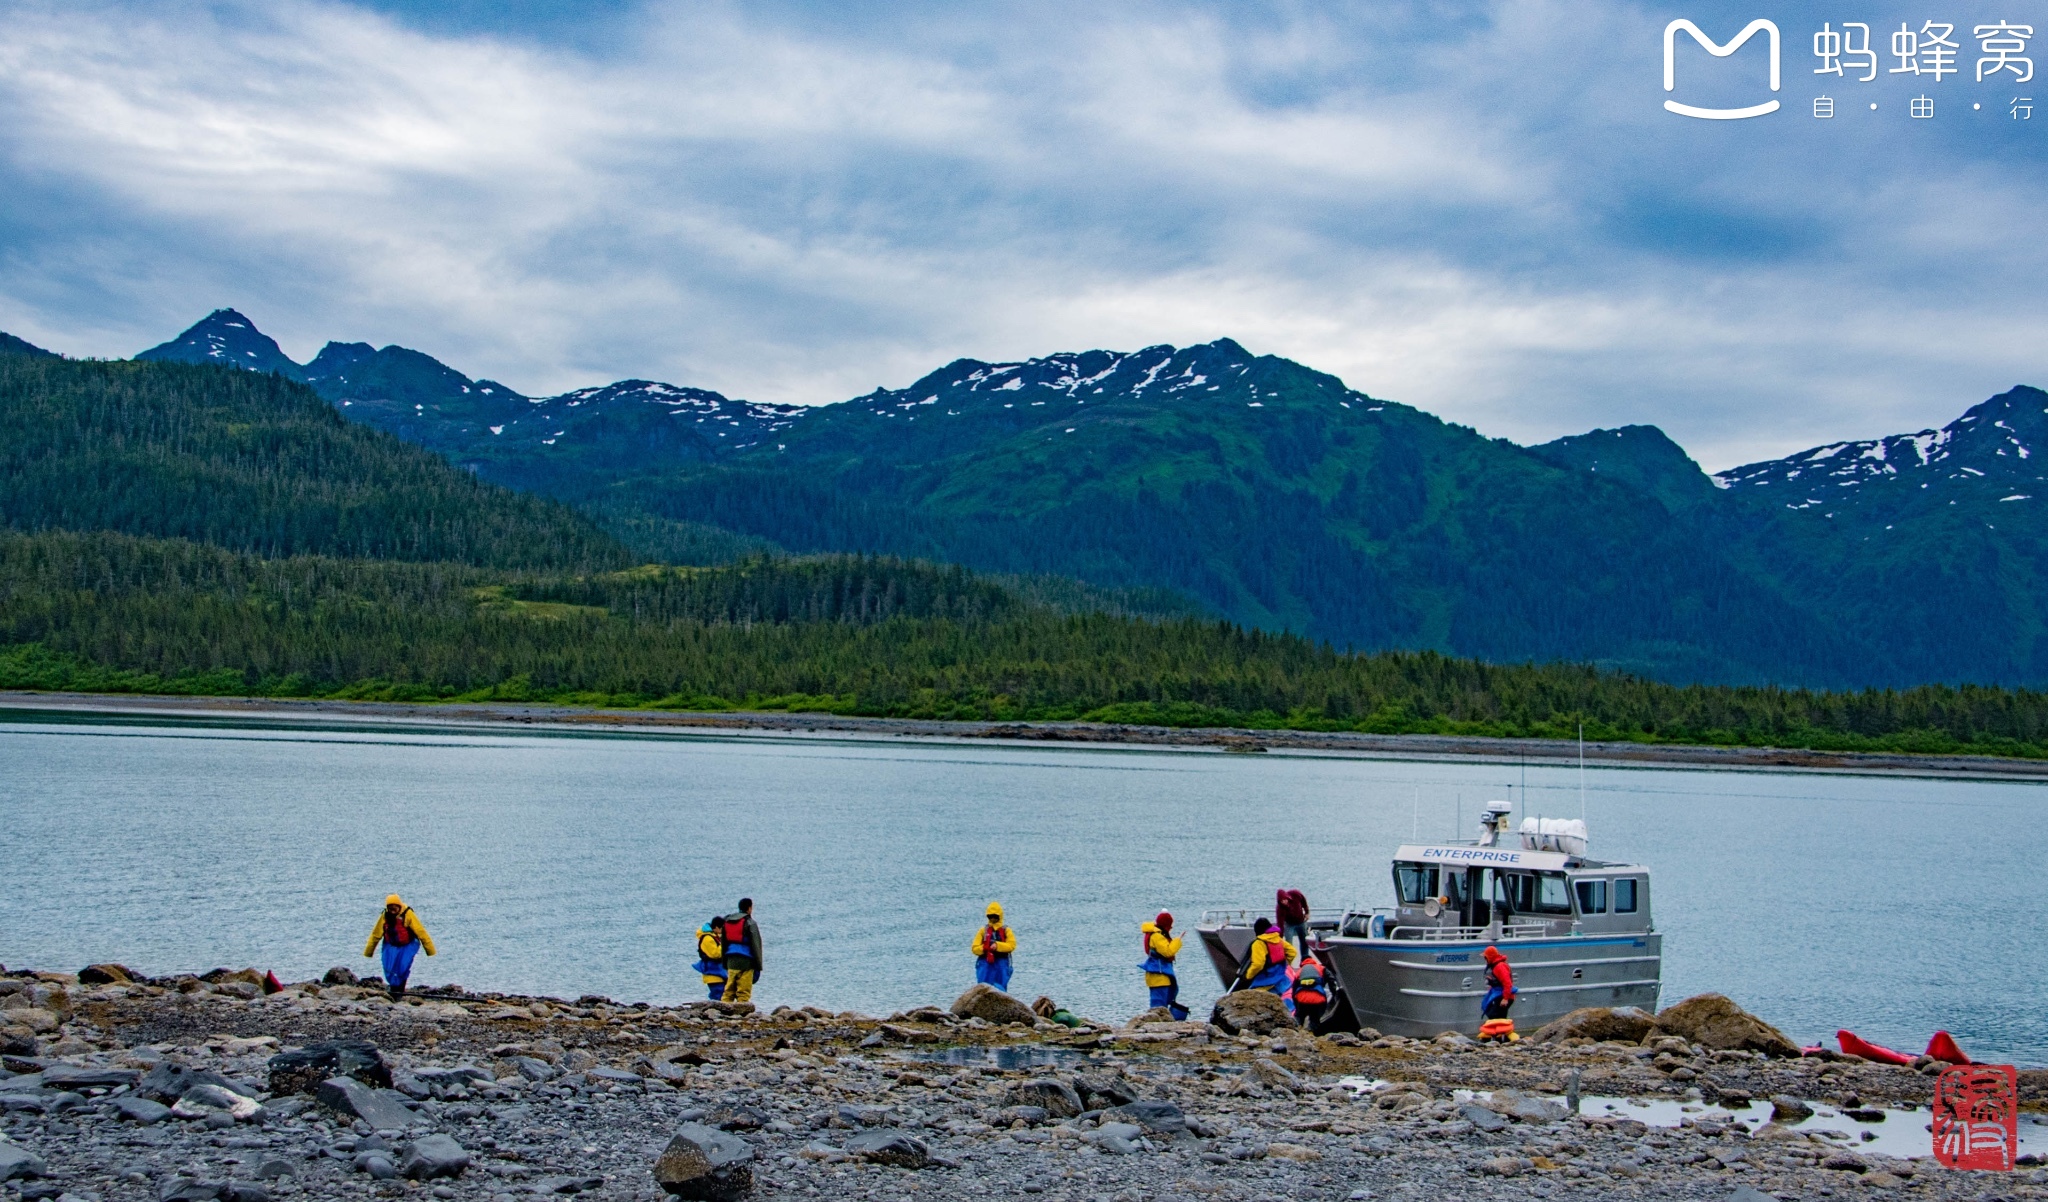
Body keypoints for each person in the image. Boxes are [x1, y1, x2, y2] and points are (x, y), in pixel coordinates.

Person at [362, 894, 435, 1001]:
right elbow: (376, 934)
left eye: (394, 908)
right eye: (390, 908)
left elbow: (420, 932)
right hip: (391, 945)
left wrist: (430, 950)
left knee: (402, 967)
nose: (392, 911)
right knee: (390, 968)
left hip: (407, 945)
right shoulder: (385, 916)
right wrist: (369, 951)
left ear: (399, 906)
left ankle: (400, 991)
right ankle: (394, 990)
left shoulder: (408, 914)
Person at [1139, 911, 1188, 1020]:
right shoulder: (1157, 936)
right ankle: (1158, 1024)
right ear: (1166, 925)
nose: (1170, 928)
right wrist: (1178, 941)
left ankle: (1163, 1022)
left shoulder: (1154, 934)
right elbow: (1168, 952)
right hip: (1159, 975)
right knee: (1158, 1006)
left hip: (1159, 975)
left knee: (1163, 1002)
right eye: (1170, 925)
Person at [719, 899, 763, 1004]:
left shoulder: (727, 921)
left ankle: (724, 1010)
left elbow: (723, 944)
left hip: (731, 960)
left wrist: (724, 962)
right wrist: (758, 966)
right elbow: (756, 945)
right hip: (746, 962)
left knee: (728, 990)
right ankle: (742, 1011)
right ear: (749, 908)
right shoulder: (750, 923)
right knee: (743, 991)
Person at [1238, 917, 1294, 994]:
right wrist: (1285, 965)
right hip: (1281, 978)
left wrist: (1248, 975)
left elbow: (1258, 964)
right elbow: (1292, 952)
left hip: (1265, 981)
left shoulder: (1258, 943)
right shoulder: (1278, 939)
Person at [973, 903, 1017, 991]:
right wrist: (984, 948)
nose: (992, 919)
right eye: (990, 916)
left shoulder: (1006, 930)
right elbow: (974, 948)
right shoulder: (983, 930)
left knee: (1000, 988)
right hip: (985, 962)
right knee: (983, 987)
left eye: (995, 916)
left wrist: (997, 945)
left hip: (1001, 963)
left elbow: (1011, 945)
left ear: (999, 916)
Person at [1478, 945, 1518, 1041]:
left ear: (1490, 957)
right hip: (1498, 994)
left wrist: (1505, 998)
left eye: (1486, 957)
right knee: (1493, 1014)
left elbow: (1507, 983)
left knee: (1496, 1016)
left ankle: (1501, 1038)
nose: (1485, 959)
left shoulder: (1500, 966)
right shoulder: (1495, 966)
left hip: (1504, 996)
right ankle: (1496, 1038)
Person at [1289, 956, 1330, 1027]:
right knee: (1314, 1020)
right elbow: (1331, 979)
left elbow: (1294, 990)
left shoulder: (1299, 971)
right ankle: (1312, 1032)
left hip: (1302, 1000)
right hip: (1317, 999)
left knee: (1299, 1017)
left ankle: (1297, 1031)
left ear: (1302, 963)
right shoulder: (1321, 968)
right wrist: (1334, 993)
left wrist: (1296, 1005)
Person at [694, 917, 728, 1001]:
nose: (723, 931)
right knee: (717, 994)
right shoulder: (707, 938)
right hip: (712, 973)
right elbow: (715, 954)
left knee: (722, 993)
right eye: (722, 928)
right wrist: (724, 944)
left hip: (718, 971)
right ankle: (715, 1010)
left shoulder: (715, 936)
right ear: (716, 927)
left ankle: (717, 1009)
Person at [1276, 888, 1311, 958]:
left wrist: (1307, 912)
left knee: (1304, 942)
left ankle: (1305, 958)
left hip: (1301, 922)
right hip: (1289, 925)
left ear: (1287, 897)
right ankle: (1288, 963)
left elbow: (1303, 900)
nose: (1284, 902)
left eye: (1285, 899)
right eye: (1282, 901)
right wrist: (1280, 937)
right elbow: (1280, 923)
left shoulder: (1295, 894)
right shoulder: (1280, 908)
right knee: (1288, 944)